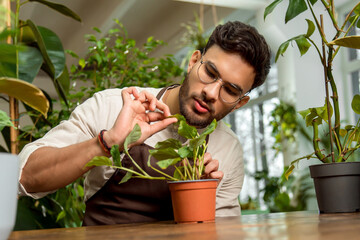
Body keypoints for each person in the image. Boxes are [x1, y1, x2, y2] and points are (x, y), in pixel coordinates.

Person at [18, 21, 271, 225]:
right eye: (210, 73)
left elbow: (223, 232)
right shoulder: (114, 106)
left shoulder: (228, 149)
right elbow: (25, 177)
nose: (212, 92)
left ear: (239, 103)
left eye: (229, 89)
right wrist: (108, 144)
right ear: (194, 61)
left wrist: (202, 194)